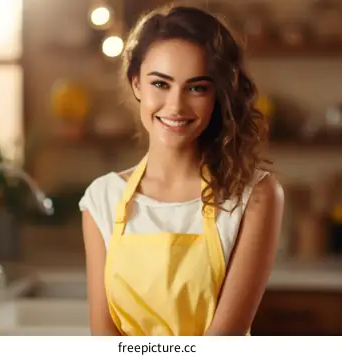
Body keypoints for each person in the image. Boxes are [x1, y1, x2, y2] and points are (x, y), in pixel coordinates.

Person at [78, 4, 284, 336]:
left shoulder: (255, 194)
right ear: (136, 84)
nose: (175, 106)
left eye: (197, 88)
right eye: (160, 84)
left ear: (218, 95)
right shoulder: (102, 199)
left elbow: (223, 343)